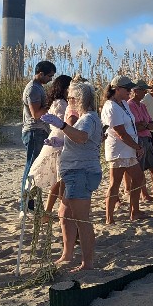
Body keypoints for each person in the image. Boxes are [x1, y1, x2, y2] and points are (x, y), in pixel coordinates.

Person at [40, 81, 101, 271]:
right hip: (74, 172)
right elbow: (77, 139)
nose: (69, 101)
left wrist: (62, 125)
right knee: (64, 214)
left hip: (81, 171)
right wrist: (58, 141)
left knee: (81, 218)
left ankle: (87, 263)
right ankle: (67, 254)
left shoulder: (89, 117)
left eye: (71, 98)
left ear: (79, 99)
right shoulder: (84, 117)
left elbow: (82, 137)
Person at [101, 75, 147, 223]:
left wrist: (135, 146)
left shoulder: (123, 103)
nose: (130, 91)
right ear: (117, 89)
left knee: (139, 177)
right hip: (119, 150)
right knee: (115, 183)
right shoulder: (110, 106)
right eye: (127, 88)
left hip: (129, 148)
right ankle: (109, 218)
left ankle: (135, 211)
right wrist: (138, 147)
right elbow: (121, 133)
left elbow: (130, 126)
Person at [30, 74, 71, 221]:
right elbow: (62, 123)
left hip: (61, 139)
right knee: (61, 180)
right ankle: (58, 212)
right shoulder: (60, 103)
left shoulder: (60, 102)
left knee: (60, 181)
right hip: (59, 140)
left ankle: (48, 213)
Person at [21, 61, 56, 208]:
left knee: (36, 167)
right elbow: (36, 114)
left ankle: (30, 202)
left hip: (39, 131)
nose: (51, 79)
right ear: (40, 73)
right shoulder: (33, 89)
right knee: (32, 167)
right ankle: (26, 203)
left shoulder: (38, 88)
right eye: (49, 76)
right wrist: (51, 103)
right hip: (34, 131)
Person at [129, 79, 153, 204]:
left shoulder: (142, 105)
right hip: (138, 140)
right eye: (142, 89)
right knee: (138, 172)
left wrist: (145, 125)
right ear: (135, 91)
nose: (145, 91)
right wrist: (145, 125)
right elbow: (136, 126)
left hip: (148, 138)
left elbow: (150, 123)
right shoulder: (131, 105)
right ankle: (138, 201)